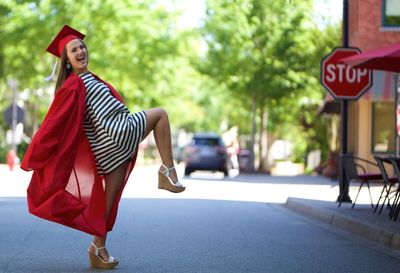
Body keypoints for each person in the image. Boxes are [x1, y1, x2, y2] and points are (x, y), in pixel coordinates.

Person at [21, 25, 185, 269]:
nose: (80, 52)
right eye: (73, 50)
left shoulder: (89, 79)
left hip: (109, 148)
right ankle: (167, 172)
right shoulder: (74, 85)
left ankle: (97, 249)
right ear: (66, 61)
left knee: (110, 201)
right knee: (160, 115)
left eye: (82, 47)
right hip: (117, 133)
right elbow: (55, 120)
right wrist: (36, 153)